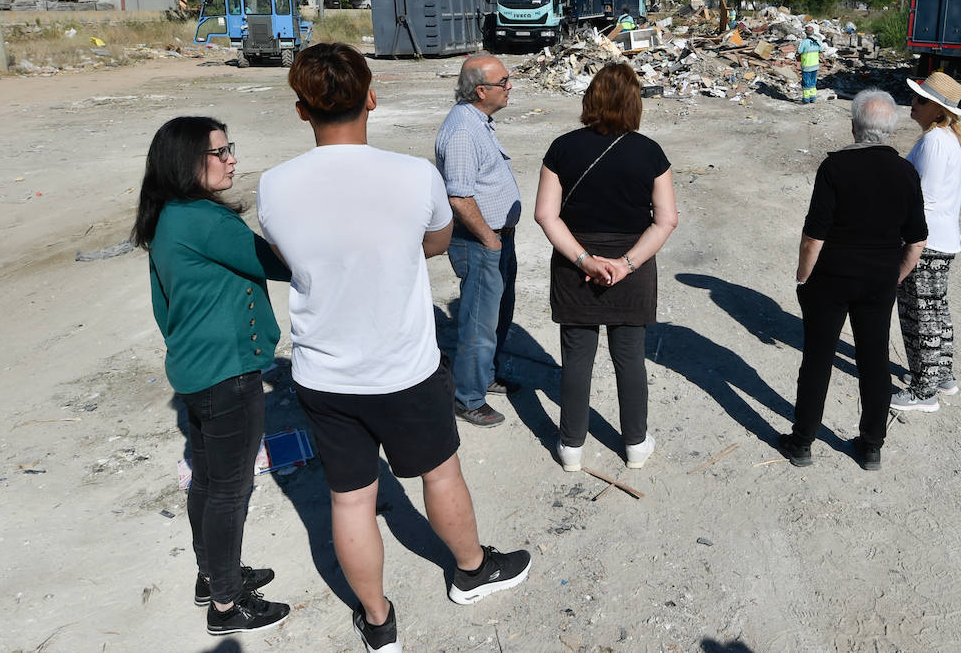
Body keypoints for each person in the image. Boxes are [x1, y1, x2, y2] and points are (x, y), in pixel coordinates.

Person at [258, 44, 530, 653]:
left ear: (302, 112)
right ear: (372, 97)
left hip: (324, 374)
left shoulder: (274, 187)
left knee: (350, 499)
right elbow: (436, 242)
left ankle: (378, 621)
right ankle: (470, 571)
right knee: (439, 473)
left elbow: (286, 255)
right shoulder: (414, 175)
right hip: (405, 367)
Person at [132, 116, 291, 636]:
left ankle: (211, 573)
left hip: (194, 368)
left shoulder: (167, 218)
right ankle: (225, 604)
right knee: (230, 489)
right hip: (228, 370)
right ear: (185, 162)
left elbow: (164, 307)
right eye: (219, 152)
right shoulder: (204, 220)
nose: (232, 160)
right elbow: (280, 263)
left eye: (229, 149)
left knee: (208, 480)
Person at [533, 61, 678, 472]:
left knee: (577, 357)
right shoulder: (650, 152)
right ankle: (634, 444)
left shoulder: (561, 148)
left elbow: (546, 215)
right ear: (635, 104)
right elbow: (666, 219)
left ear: (590, 98)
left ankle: (571, 447)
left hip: (573, 263)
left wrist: (584, 260)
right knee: (629, 356)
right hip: (632, 263)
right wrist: (625, 264)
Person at [779, 89, 928, 471]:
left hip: (830, 279)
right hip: (878, 281)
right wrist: (896, 275)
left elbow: (814, 235)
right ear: (891, 129)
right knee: (874, 360)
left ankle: (802, 442)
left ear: (854, 127)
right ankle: (872, 445)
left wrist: (802, 275)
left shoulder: (834, 168)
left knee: (818, 359)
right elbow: (917, 238)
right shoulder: (907, 172)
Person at [435, 54, 522, 428]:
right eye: (504, 81)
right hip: (479, 242)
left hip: (496, 239)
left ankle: (484, 375)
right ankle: (468, 397)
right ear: (481, 90)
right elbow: (459, 197)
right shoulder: (463, 132)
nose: (510, 86)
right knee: (477, 324)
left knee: (496, 315)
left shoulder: (478, 120)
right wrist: (489, 239)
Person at [893, 71, 961, 413]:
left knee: (919, 316)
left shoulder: (934, 142)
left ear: (937, 109)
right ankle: (941, 375)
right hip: (941, 241)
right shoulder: (945, 137)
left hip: (925, 243)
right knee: (936, 310)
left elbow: (919, 197)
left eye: (921, 100)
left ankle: (924, 391)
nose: (913, 103)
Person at [797, 23, 823, 103]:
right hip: (815, 66)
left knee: (806, 83)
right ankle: (813, 98)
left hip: (807, 65)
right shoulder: (818, 41)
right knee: (813, 82)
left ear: (806, 33)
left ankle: (806, 99)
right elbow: (821, 49)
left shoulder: (804, 42)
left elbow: (799, 51)